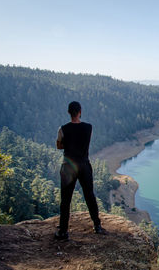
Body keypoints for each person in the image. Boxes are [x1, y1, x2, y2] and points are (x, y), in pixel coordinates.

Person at [55, 101, 105, 240]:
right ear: (80, 112)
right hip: (84, 165)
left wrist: (68, 144)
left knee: (66, 199)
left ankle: (63, 231)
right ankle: (97, 226)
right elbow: (83, 142)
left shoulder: (62, 129)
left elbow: (59, 146)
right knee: (89, 195)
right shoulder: (88, 127)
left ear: (68, 112)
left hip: (68, 166)